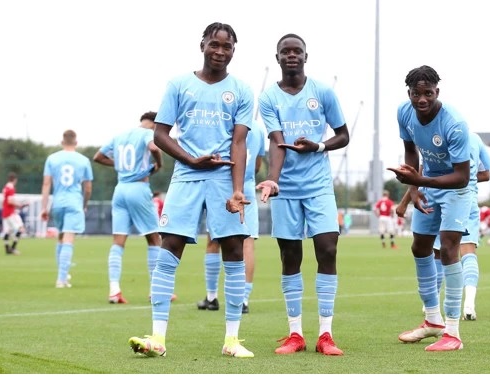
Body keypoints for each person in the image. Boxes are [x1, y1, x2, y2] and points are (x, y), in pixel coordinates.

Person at [128, 22, 255, 359]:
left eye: (227, 47)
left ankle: (231, 341)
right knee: (170, 245)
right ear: (202, 45)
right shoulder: (179, 84)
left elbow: (239, 142)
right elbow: (161, 134)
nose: (220, 51)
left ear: (233, 51)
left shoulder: (242, 90)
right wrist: (191, 160)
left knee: (232, 248)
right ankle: (157, 337)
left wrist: (238, 190)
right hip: (186, 174)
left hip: (224, 178)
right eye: (215, 44)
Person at [256, 33, 350, 356]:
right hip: (286, 188)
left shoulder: (322, 92)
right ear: (278, 57)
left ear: (306, 57)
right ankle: (295, 334)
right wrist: (272, 179)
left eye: (297, 51)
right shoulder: (269, 98)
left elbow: (343, 135)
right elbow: (276, 141)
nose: (292, 55)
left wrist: (319, 146)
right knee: (290, 255)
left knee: (327, 248)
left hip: (319, 185)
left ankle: (326, 334)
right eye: (286, 51)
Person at [387, 65, 471, 352]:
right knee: (419, 248)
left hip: (456, 189)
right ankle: (432, 320)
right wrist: (413, 189)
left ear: (438, 92)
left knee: (448, 248)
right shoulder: (404, 112)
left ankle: (453, 332)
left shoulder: (454, 124)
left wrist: (420, 181)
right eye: (416, 93)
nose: (421, 99)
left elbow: (462, 176)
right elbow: (410, 150)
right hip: (428, 185)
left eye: (428, 93)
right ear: (408, 93)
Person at [397, 131, 490, 320]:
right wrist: (465, 176)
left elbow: (422, 172)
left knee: (438, 251)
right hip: (467, 196)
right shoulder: (474, 138)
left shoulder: (437, 137)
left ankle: (432, 305)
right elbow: (486, 173)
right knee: (467, 249)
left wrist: (403, 202)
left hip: (438, 197)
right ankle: (469, 305)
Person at [93, 111, 165, 304]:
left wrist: (119, 165)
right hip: (138, 188)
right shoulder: (148, 134)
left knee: (118, 241)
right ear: (155, 124)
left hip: (120, 190)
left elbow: (98, 157)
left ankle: (114, 290)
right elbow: (154, 148)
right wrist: (158, 164)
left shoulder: (120, 136)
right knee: (154, 238)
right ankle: (155, 289)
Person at [197, 120, 266, 314]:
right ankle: (243, 299)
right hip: (247, 188)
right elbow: (258, 164)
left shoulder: (222, 123)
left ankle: (211, 297)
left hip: (223, 187)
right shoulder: (258, 129)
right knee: (248, 241)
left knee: (213, 240)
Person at [41, 130, 93, 288]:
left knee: (61, 238)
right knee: (69, 239)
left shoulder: (52, 158)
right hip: (74, 202)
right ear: (76, 143)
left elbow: (46, 184)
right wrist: (84, 204)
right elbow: (88, 187)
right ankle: (61, 279)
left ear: (62, 142)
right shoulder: (83, 160)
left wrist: (44, 207)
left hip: (57, 203)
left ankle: (62, 275)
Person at [1, 172, 28, 255]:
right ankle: (13, 248)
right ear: (15, 180)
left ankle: (7, 248)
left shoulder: (5, 187)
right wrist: (21, 204)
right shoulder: (11, 188)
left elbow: (5, 201)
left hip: (5, 212)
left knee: (8, 231)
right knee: (21, 228)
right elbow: (10, 201)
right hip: (10, 213)